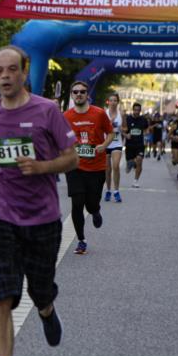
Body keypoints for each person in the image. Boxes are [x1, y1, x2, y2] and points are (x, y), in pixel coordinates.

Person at [0, 46, 78, 356]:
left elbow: (72, 158)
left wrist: (42, 167)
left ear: (24, 72)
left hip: (43, 218)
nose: (4, 76)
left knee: (39, 289)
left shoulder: (47, 111)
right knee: (1, 293)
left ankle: (46, 308)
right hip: (1, 216)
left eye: (11, 69)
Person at [63, 81, 113, 254]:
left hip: (96, 166)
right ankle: (81, 240)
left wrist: (104, 145)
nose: (79, 94)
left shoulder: (99, 113)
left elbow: (111, 133)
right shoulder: (66, 116)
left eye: (82, 92)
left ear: (87, 94)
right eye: (75, 92)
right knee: (77, 203)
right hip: (75, 166)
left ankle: (95, 210)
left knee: (91, 204)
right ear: (71, 95)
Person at [103, 92, 125, 203]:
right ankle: (108, 190)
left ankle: (116, 191)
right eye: (111, 100)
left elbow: (125, 129)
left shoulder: (121, 114)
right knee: (107, 169)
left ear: (117, 102)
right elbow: (99, 128)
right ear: (108, 102)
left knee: (116, 166)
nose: (113, 102)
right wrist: (109, 125)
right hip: (106, 143)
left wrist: (120, 128)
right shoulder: (104, 113)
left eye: (115, 100)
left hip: (117, 143)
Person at [123, 102, 148, 188]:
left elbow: (147, 129)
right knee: (128, 167)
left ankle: (135, 181)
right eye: (135, 110)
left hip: (140, 145)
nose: (136, 112)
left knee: (139, 160)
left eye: (138, 110)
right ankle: (131, 163)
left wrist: (146, 135)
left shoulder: (143, 120)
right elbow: (122, 129)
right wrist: (126, 135)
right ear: (132, 110)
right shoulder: (128, 119)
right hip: (129, 145)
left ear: (140, 111)